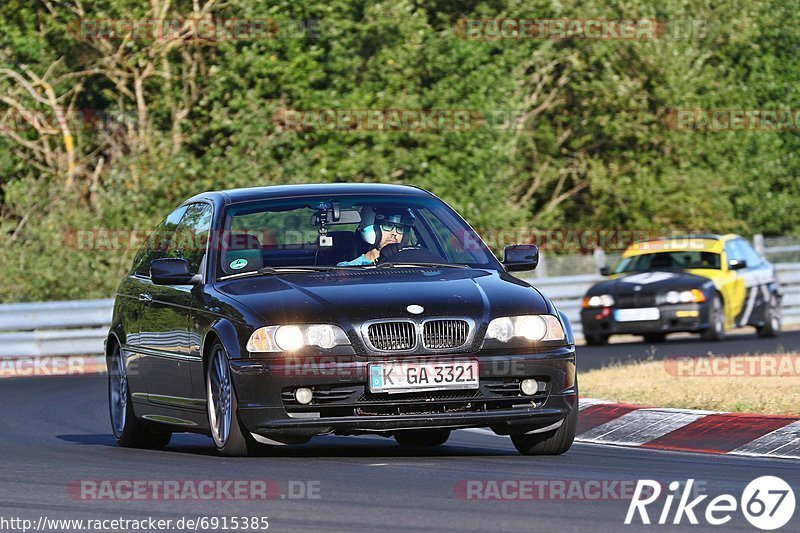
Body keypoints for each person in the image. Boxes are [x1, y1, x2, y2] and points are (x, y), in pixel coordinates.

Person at [338, 207, 415, 266]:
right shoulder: (349, 267)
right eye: (388, 226)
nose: (394, 233)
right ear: (370, 226)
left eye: (400, 228)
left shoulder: (412, 265)